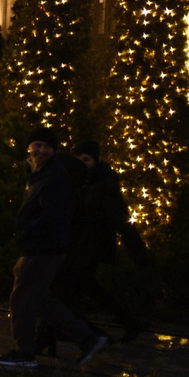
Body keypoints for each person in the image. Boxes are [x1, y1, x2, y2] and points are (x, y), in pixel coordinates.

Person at [1, 129, 108, 368]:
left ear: (53, 150)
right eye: (37, 145)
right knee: (39, 298)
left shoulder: (54, 177)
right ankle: (88, 338)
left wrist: (27, 232)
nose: (41, 150)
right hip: (45, 245)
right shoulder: (36, 171)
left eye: (46, 147)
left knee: (22, 298)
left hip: (43, 246)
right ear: (29, 147)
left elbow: (52, 214)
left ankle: (24, 352)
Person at [56, 140, 148, 343]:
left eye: (86, 159)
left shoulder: (105, 186)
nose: (82, 163)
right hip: (76, 244)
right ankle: (126, 322)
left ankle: (89, 333)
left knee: (71, 287)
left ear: (95, 162)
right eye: (78, 159)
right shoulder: (75, 181)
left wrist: (137, 250)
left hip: (91, 246)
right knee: (87, 286)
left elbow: (121, 218)